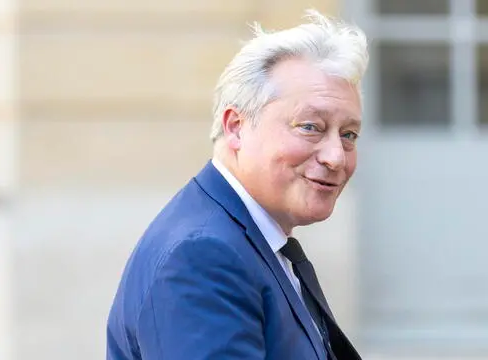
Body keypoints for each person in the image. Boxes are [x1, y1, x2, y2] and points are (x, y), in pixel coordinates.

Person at [106, 8, 368, 360]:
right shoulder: (203, 256)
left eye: (348, 134)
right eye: (310, 127)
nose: (336, 156)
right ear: (235, 127)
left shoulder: (247, 238)